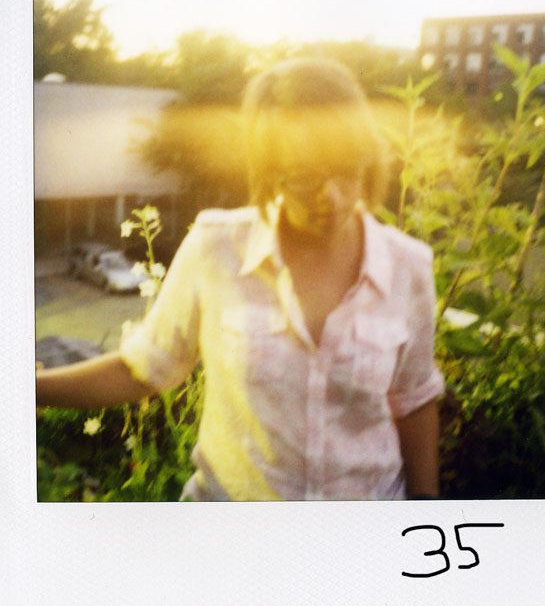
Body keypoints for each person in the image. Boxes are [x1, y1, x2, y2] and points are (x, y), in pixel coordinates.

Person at [36, 57, 444, 501]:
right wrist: (30, 389)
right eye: (304, 175)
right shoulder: (216, 247)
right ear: (269, 172)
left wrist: (424, 516)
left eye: (346, 169)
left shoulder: (409, 265)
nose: (331, 195)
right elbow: (145, 369)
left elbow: (414, 401)